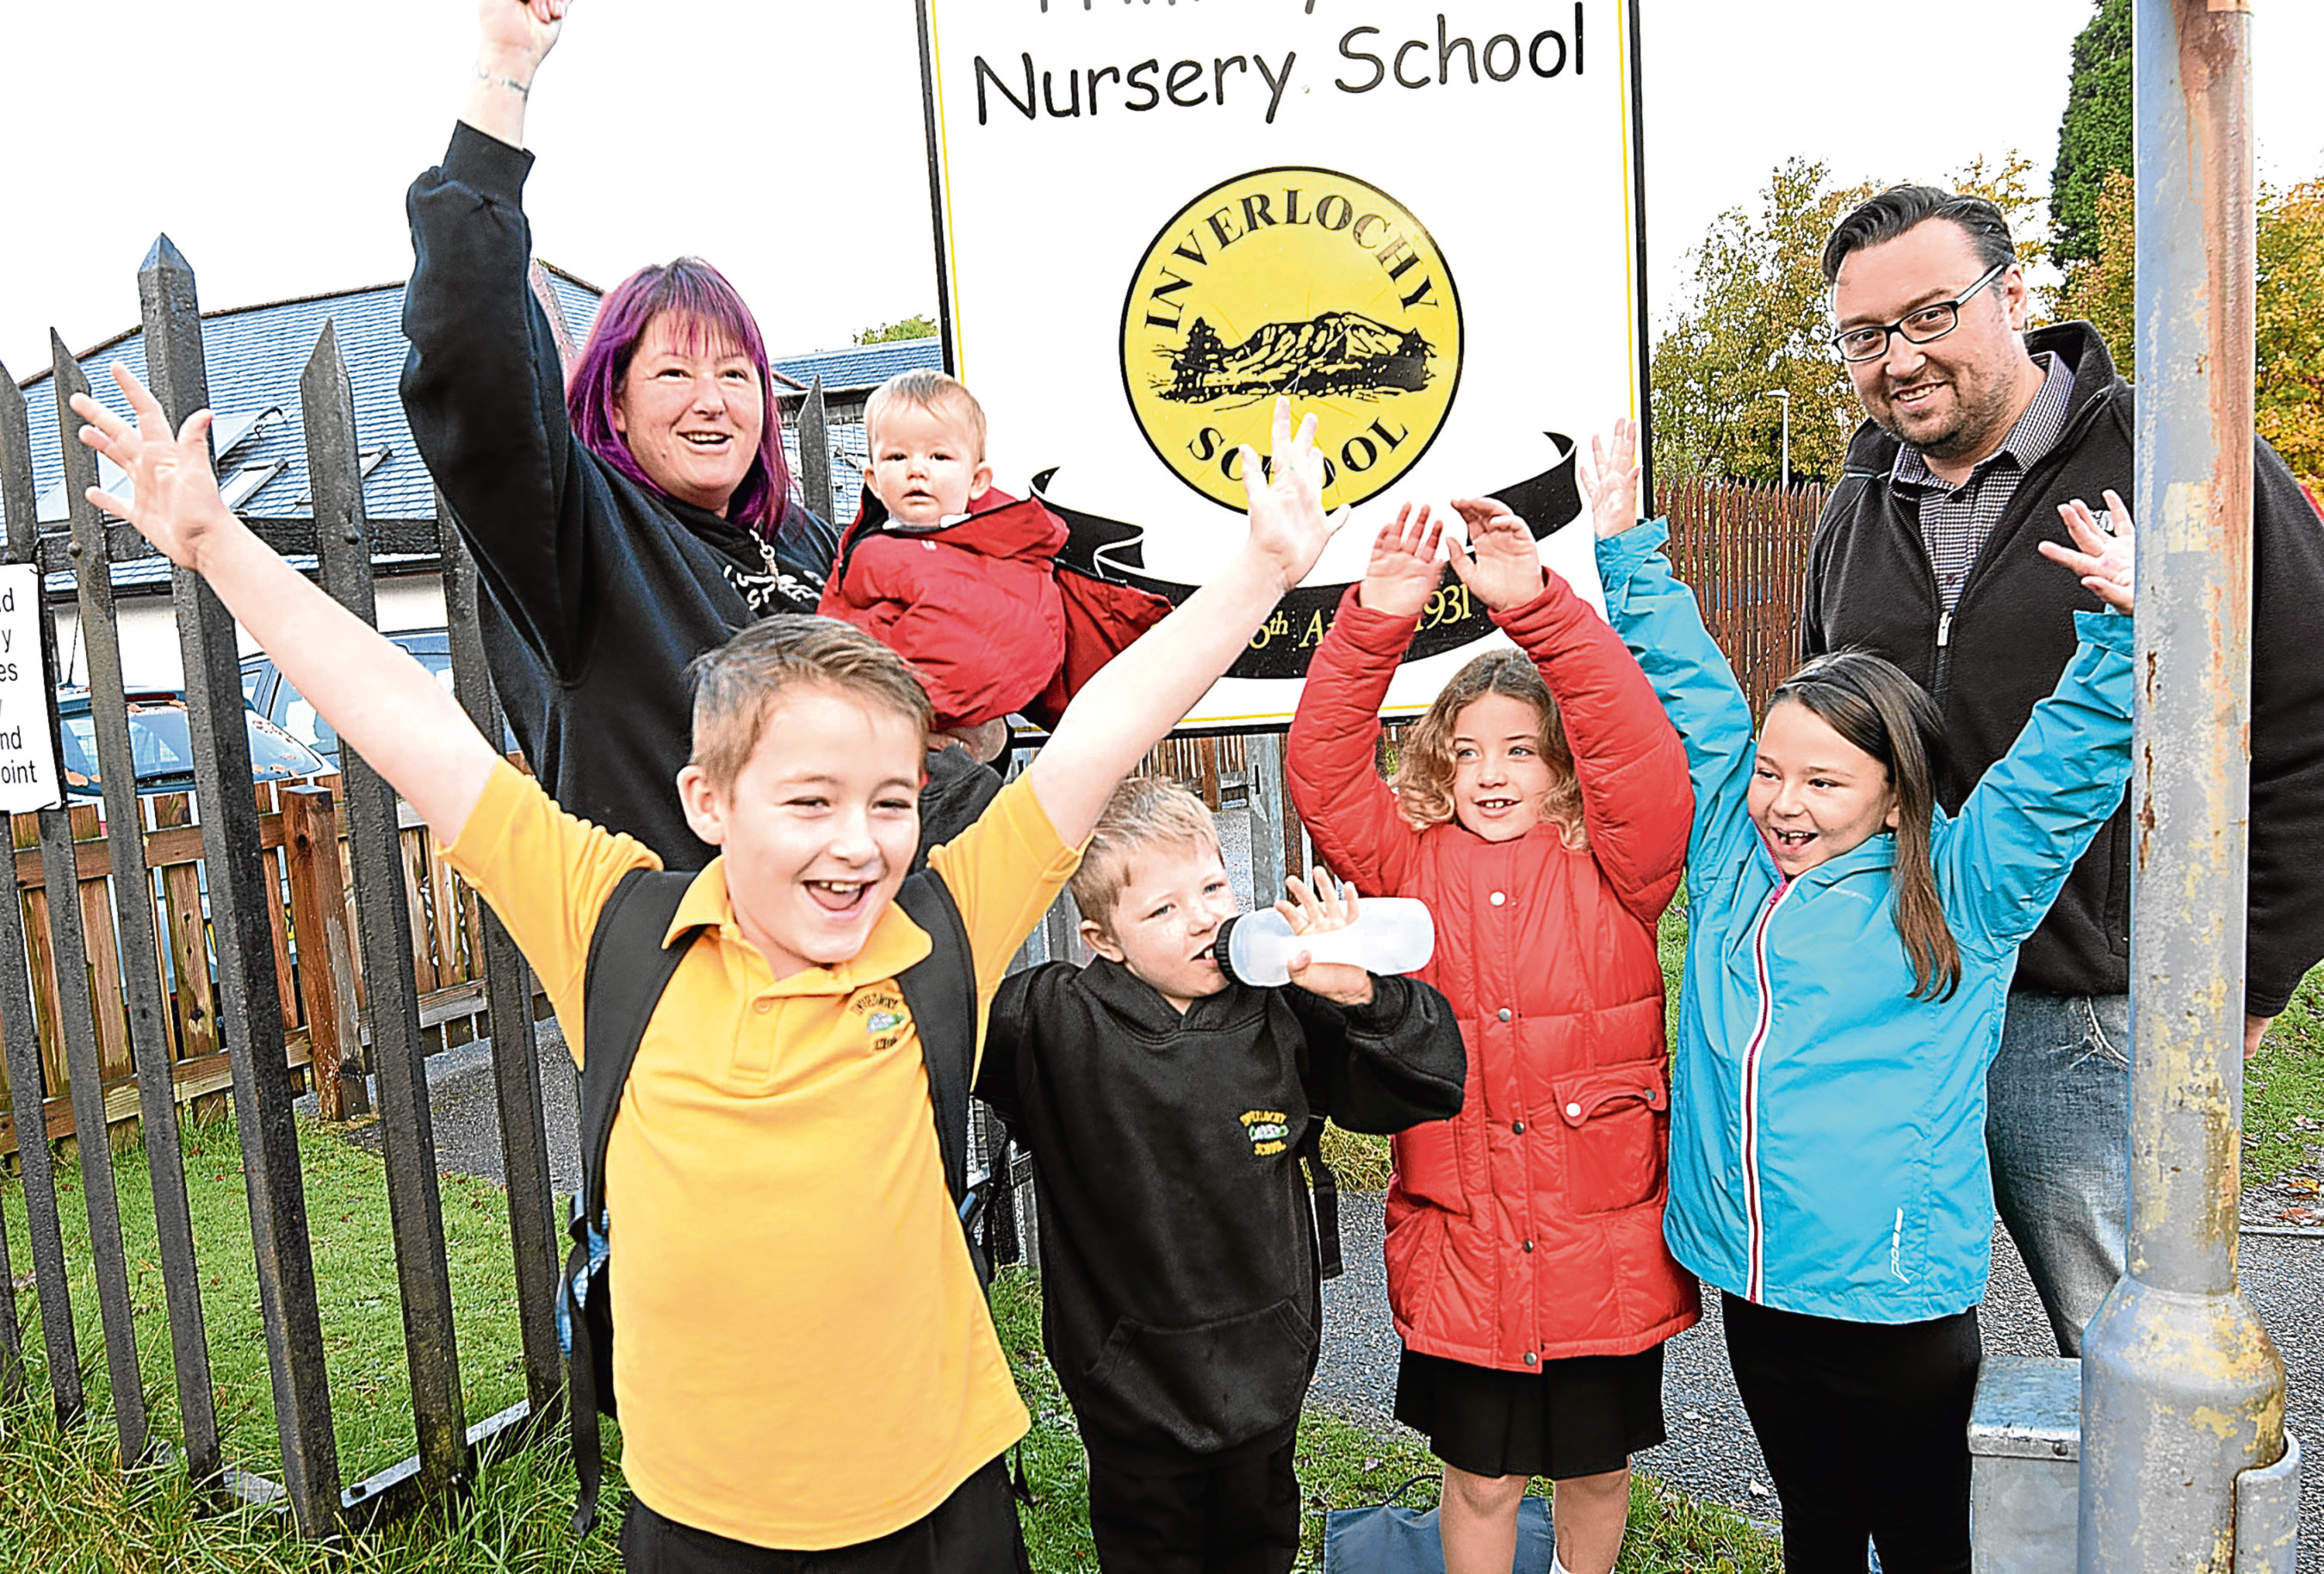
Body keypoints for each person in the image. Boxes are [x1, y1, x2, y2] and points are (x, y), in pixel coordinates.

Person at [75, 360, 1346, 1572]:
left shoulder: (942, 930)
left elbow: (1105, 732)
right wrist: (215, 545)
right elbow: (411, 724)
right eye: (811, 800)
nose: (860, 844)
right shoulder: (612, 924)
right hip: (701, 1526)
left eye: (892, 801)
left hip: (941, 1513)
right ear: (709, 799)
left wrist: (1259, 571)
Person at [1594, 414, 2138, 1572]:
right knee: (1819, 1526)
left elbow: (2066, 763)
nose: (1784, 802)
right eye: (1775, 774)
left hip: (1892, 1303)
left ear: (1895, 794)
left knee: (1925, 1538)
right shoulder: (1739, 858)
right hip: (1754, 1278)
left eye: (1824, 782)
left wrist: (2124, 629)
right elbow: (1693, 698)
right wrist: (1625, 551)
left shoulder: (1960, 883)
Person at [1800, 185, 2324, 1356]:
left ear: (2016, 296)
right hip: (1904, 992)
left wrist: (2255, 972)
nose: (1899, 358)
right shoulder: (1854, 505)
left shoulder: (2181, 455)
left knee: (2138, 1346)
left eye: (1931, 315)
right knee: (1891, 1335)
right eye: (1866, 335)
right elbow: (1827, 748)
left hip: (2088, 1010)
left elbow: (2306, 716)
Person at [401, 0, 995, 870]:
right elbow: (475, 358)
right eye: (674, 374)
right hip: (686, 981)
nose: (711, 401)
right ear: (612, 404)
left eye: (735, 373)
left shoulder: (813, 549)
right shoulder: (582, 545)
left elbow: (918, 747)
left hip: (870, 978)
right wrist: (504, 71)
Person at [1284, 485, 1697, 1574]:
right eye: (1467, 752)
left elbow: (1642, 754)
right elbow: (1323, 772)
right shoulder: (1408, 869)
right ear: (1440, 764)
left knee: (1598, 1470)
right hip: (1465, 1241)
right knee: (1478, 1477)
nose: (1492, 774)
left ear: (1561, 764)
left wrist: (1543, 613)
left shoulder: (1622, 864)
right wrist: (1376, 619)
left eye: (1519, 751)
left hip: (1596, 1245)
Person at [976, 779, 1466, 1574]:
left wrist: (1365, 996)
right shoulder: (1053, 1023)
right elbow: (929, 1012)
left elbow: (1432, 1081)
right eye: (1161, 909)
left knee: (1258, 1545)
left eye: (1212, 886)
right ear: (1103, 939)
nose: (1204, 916)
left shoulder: (1281, 1009)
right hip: (1129, 1385)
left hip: (1263, 1373)